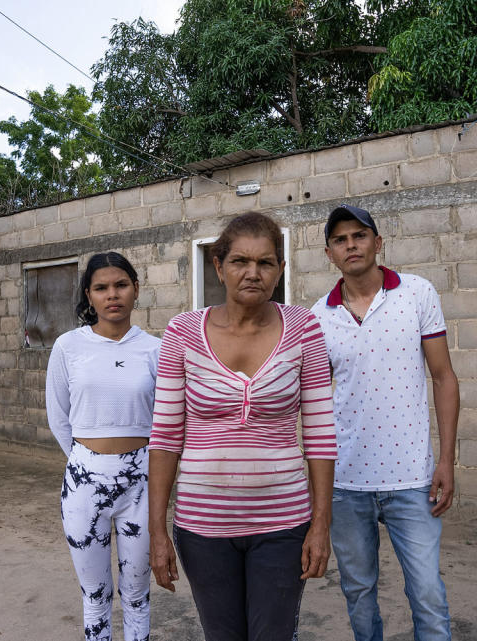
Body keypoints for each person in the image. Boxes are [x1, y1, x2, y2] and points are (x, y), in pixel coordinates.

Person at [147, 212, 338, 641]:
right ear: (218, 266)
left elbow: (322, 436)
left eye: (266, 263)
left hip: (284, 524)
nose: (253, 273)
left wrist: (320, 524)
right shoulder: (182, 333)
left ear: (281, 270)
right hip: (202, 527)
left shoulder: (304, 328)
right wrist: (157, 531)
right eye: (239, 261)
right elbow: (164, 438)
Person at [311, 204, 460, 641]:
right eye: (340, 239)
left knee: (427, 593)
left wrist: (446, 460)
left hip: (412, 477)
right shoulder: (320, 316)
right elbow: (317, 400)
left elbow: (443, 377)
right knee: (358, 592)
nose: (351, 244)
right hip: (346, 482)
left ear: (378, 242)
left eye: (359, 235)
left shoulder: (416, 293)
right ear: (329, 253)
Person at [45, 252, 160, 641]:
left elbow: (166, 421)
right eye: (102, 287)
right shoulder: (67, 347)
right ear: (89, 295)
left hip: (142, 483)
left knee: (137, 594)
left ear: (136, 290)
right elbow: (59, 417)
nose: (113, 295)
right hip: (83, 482)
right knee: (96, 595)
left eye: (121, 285)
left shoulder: (155, 349)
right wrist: (87, 462)